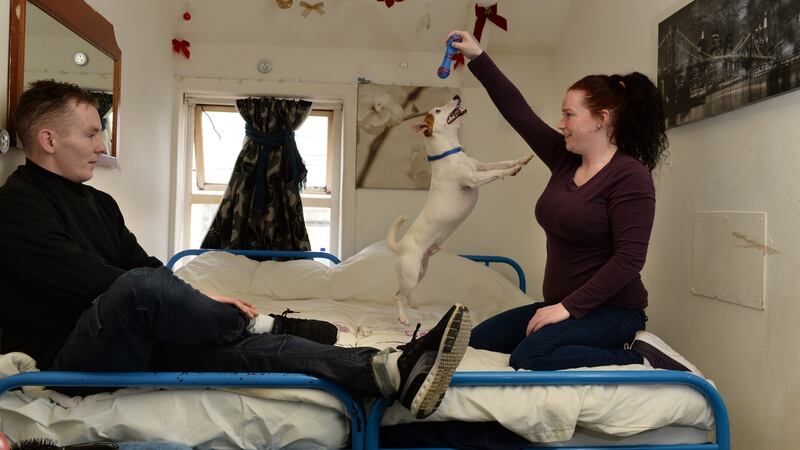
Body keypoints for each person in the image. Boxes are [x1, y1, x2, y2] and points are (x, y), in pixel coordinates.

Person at [0, 79, 472, 419]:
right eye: (91, 134)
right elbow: (98, 279)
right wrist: (196, 303)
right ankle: (254, 318)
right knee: (142, 289)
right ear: (47, 139)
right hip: (69, 361)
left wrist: (188, 310)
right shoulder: (16, 205)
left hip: (128, 338)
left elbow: (143, 262)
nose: (102, 146)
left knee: (238, 348)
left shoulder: (99, 202)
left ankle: (386, 367)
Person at [448, 30, 701, 375]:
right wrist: (478, 56)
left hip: (613, 311)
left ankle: (642, 357)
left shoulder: (630, 176)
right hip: (563, 306)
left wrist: (566, 308)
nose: (560, 124)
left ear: (602, 118)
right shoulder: (565, 158)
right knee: (476, 340)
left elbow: (629, 258)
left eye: (569, 115)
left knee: (528, 357)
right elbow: (518, 112)